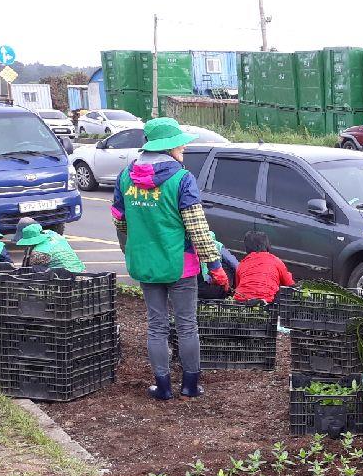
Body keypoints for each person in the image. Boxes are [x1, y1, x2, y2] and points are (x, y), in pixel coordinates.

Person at [112, 116, 229, 401]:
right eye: (180, 145)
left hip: (145, 263)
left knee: (156, 326)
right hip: (181, 265)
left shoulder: (126, 177)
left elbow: (119, 220)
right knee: (187, 325)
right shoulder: (181, 179)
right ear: (168, 148)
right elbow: (197, 228)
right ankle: (190, 385)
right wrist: (215, 265)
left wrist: (130, 247)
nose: (184, 150)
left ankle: (162, 387)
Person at [233, 230, 295, 305]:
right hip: (267, 302)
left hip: (241, 301)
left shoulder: (241, 264)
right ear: (267, 245)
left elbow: (238, 286)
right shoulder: (275, 261)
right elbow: (290, 284)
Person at [14, 221, 85, 272]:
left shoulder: (38, 253)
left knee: (33, 269)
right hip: (81, 270)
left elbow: (27, 270)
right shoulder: (53, 234)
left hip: (67, 276)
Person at [198, 231, 238, 300]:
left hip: (201, 288)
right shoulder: (218, 246)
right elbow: (235, 264)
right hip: (219, 287)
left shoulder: (197, 248)